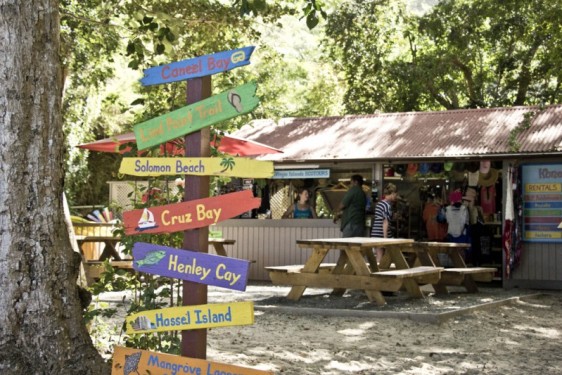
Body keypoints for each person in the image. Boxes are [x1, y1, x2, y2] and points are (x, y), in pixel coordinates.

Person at [370, 183, 399, 261]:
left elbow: (380, 218)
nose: (396, 197)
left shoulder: (380, 204)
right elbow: (385, 222)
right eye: (396, 195)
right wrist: (385, 238)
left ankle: (377, 270)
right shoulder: (387, 206)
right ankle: (379, 271)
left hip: (375, 232)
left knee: (379, 254)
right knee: (386, 254)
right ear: (392, 194)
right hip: (381, 233)